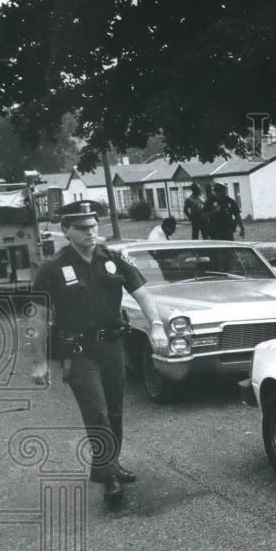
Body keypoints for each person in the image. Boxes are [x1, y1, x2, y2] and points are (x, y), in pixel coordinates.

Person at [28, 205, 168, 503]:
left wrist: (156, 326)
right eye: (82, 227)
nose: (91, 231)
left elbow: (143, 294)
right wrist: (39, 361)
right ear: (66, 231)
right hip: (79, 351)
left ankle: (110, 464)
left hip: (112, 346)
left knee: (115, 411)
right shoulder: (52, 267)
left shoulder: (113, 259)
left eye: (93, 225)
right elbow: (37, 316)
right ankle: (109, 478)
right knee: (98, 413)